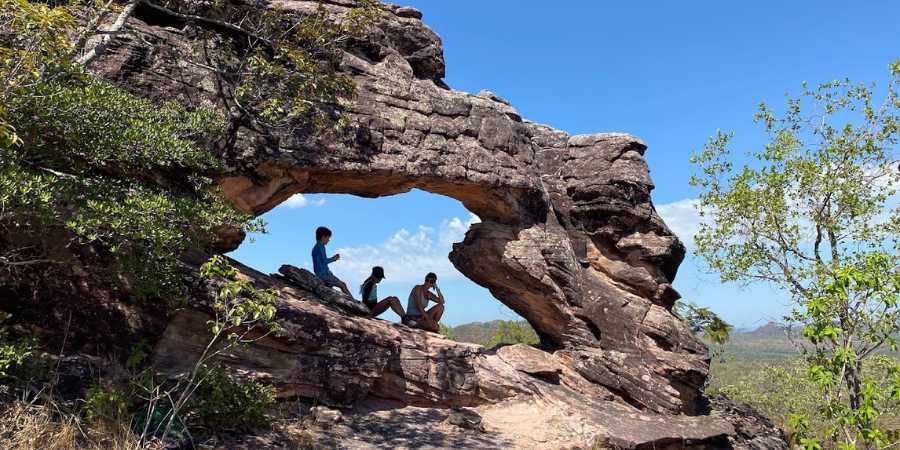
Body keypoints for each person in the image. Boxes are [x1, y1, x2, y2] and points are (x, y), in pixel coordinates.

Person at [311, 226, 352, 298]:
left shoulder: (317, 247)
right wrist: (334, 258)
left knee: (332, 289)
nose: (329, 240)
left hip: (323, 273)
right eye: (328, 238)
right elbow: (324, 261)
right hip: (324, 274)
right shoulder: (320, 247)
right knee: (342, 285)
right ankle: (354, 302)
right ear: (323, 237)